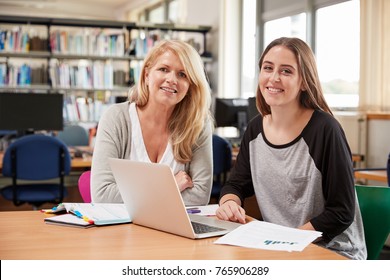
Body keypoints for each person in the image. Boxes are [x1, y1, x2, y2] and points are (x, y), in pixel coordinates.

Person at [216, 37, 367, 260]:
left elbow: (341, 212)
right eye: (268, 68)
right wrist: (229, 202)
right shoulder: (255, 129)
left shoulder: (325, 130)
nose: (274, 78)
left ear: (304, 81)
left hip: (332, 251)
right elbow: (237, 184)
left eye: (286, 71)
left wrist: (290, 241)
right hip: (280, 246)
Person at [91, 39, 213, 206]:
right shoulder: (116, 118)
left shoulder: (197, 124)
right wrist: (170, 186)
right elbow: (102, 195)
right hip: (122, 230)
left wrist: (137, 197)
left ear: (190, 86)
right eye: (163, 69)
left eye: (182, 74)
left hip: (173, 229)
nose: (172, 79)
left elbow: (199, 197)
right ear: (147, 75)